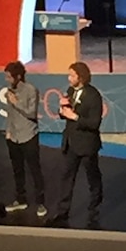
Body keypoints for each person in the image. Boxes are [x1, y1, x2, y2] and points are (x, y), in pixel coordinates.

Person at [49, 61, 104, 229]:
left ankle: (95, 206)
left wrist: (74, 117)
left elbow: (94, 123)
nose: (69, 78)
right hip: (71, 143)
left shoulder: (93, 95)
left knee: (92, 177)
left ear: (80, 77)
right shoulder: (71, 91)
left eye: (72, 75)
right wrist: (62, 111)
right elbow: (67, 114)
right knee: (66, 178)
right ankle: (62, 212)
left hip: (87, 144)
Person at [2, 60, 46, 216]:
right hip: (13, 137)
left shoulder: (30, 90)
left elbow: (31, 113)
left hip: (28, 136)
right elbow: (11, 114)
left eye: (9, 77)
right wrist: (8, 131)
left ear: (18, 76)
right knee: (17, 170)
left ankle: (40, 202)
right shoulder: (9, 91)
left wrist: (16, 102)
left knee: (34, 170)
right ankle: (21, 199)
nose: (7, 80)